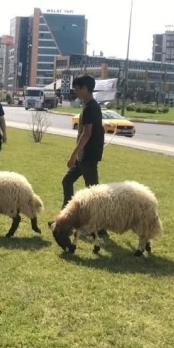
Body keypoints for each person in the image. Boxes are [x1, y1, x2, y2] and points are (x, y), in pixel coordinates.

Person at [61, 75, 108, 239]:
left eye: (77, 88)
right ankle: (66, 219)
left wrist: (72, 155)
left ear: (85, 89)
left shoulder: (91, 108)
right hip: (83, 156)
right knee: (67, 181)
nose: (75, 91)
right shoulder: (89, 106)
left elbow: (87, 134)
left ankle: (100, 227)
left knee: (93, 192)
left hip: (87, 156)